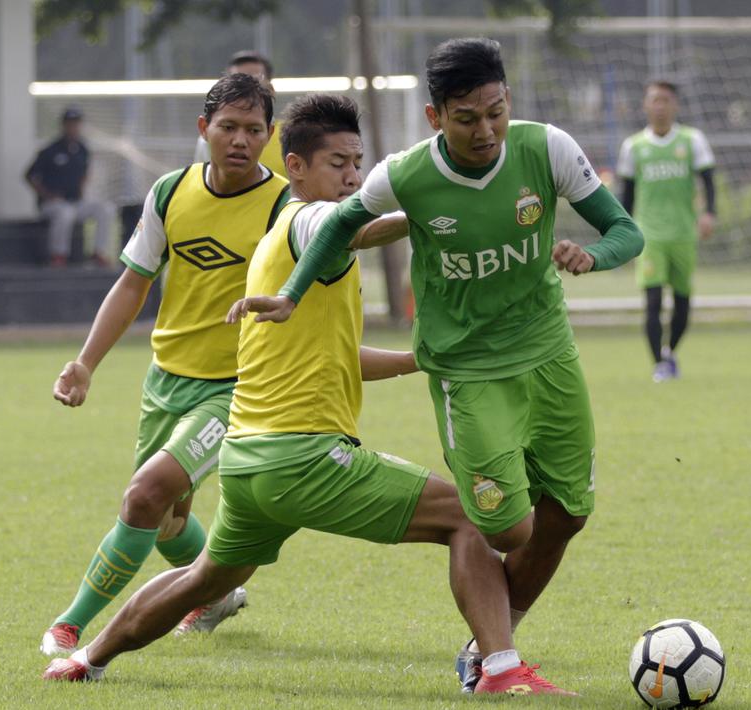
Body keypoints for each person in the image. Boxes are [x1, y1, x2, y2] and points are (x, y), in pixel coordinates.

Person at [44, 93, 575, 696]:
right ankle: (500, 671)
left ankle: (89, 657)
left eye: (358, 163)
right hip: (304, 459)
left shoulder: (286, 245)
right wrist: (446, 203)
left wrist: (418, 361)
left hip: (249, 462)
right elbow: (355, 227)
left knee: (206, 577)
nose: (352, 177)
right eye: (337, 164)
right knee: (473, 518)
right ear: (295, 167)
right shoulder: (305, 221)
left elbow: (338, 357)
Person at [243, 38, 643, 693]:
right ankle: (498, 656)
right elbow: (343, 223)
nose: (485, 130)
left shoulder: (548, 149)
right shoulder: (405, 175)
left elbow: (627, 229)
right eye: (466, 117)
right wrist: (290, 295)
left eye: (496, 111)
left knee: (567, 515)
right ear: (436, 118)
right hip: (469, 370)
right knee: (508, 528)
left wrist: (592, 255)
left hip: (549, 357)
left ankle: (490, 656)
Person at [39, 73, 290, 657]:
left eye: (254, 130)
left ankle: (72, 625)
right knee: (169, 519)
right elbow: (132, 283)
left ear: (269, 136)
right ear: (204, 129)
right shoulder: (170, 192)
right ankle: (218, 594)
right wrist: (85, 363)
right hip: (166, 378)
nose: (240, 140)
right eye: (228, 127)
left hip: (237, 386)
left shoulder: (284, 204)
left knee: (145, 495)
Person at [615, 80, 716, 382]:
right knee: (654, 300)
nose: (660, 106)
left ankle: (670, 352)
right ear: (645, 105)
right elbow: (626, 195)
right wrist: (622, 229)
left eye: (666, 100)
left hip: (684, 234)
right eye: (654, 100)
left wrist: (709, 213)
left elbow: (709, 179)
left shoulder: (691, 140)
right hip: (650, 235)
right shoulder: (634, 147)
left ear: (675, 106)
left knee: (683, 302)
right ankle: (659, 363)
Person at [25, 108, 118, 267]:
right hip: (53, 204)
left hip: (76, 201)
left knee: (106, 209)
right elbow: (29, 176)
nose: (73, 128)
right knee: (65, 213)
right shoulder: (50, 150)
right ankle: (59, 255)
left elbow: (84, 173)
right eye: (70, 124)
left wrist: (81, 190)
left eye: (76, 124)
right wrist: (47, 195)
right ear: (63, 125)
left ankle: (98, 252)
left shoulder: (82, 149)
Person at [194, 50, 285, 177]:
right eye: (237, 82)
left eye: (255, 82)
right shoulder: (206, 142)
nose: (239, 141)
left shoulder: (291, 138)